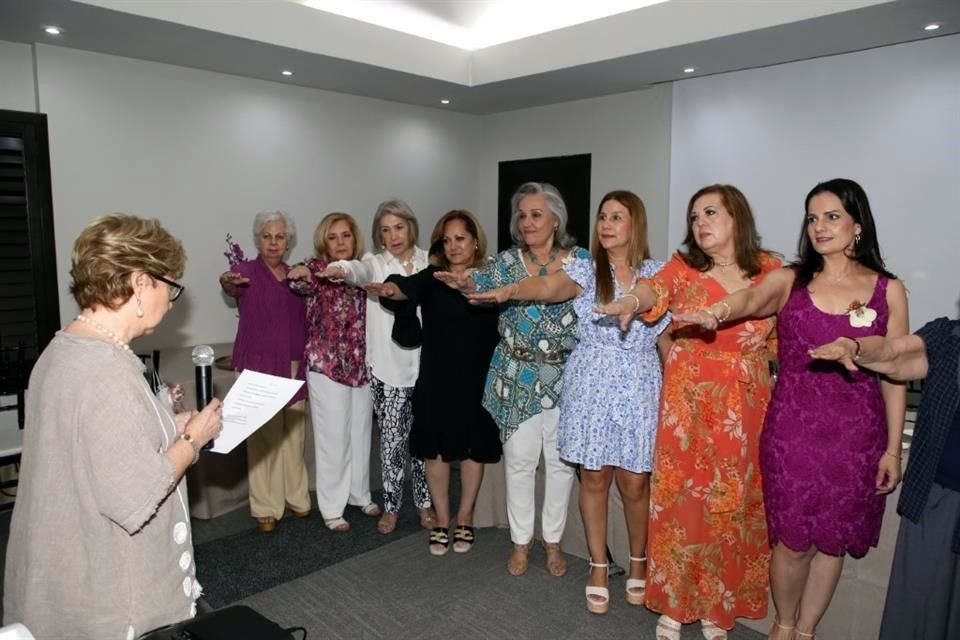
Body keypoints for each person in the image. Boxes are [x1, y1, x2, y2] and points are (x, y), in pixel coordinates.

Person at [674, 179, 908, 640]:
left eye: (832, 216)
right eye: (812, 218)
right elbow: (751, 299)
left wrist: (892, 451)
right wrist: (716, 313)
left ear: (858, 225)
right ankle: (782, 624)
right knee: (793, 542)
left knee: (832, 541)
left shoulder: (889, 291)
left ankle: (806, 630)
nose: (819, 227)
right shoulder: (790, 280)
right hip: (792, 434)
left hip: (856, 437)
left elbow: (896, 375)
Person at [3, 214, 222, 639]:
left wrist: (166, 422)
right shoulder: (106, 370)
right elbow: (134, 496)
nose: (172, 300)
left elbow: (90, 446)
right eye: (170, 286)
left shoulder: (64, 348)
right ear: (141, 284)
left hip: (64, 572)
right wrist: (194, 439)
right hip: (113, 599)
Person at [469, 190, 668, 614]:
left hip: (637, 386)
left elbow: (663, 327)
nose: (607, 224)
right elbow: (545, 286)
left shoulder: (659, 273)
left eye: (617, 217)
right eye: (602, 217)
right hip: (589, 385)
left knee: (635, 483)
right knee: (593, 477)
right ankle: (597, 565)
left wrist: (673, 391)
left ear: (636, 225)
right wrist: (508, 292)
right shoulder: (582, 270)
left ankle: (638, 561)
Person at [597, 184, 780, 640]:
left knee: (731, 505)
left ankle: (719, 605)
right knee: (683, 501)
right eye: (694, 215)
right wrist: (631, 301)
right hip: (690, 399)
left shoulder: (772, 269)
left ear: (738, 218)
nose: (700, 223)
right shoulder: (684, 268)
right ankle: (678, 604)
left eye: (711, 212)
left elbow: (790, 329)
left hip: (745, 400)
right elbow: (652, 289)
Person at [435, 182, 590, 577]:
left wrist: (506, 291)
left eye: (536, 214)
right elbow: (481, 284)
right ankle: (521, 541)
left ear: (556, 219)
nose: (527, 222)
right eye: (522, 215)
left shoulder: (580, 260)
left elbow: (555, 291)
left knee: (558, 463)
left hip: (564, 375)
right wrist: (467, 283)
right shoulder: (505, 262)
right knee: (520, 462)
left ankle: (552, 541)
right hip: (516, 374)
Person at [811, 316, 959, 640]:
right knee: (919, 615)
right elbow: (894, 354)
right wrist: (856, 346)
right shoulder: (948, 337)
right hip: (938, 500)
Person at [369, 210, 501, 555]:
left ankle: (466, 516)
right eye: (447, 240)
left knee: (473, 449)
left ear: (475, 241)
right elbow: (404, 289)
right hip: (437, 377)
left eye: (460, 238)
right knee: (436, 450)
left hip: (477, 379)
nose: (454, 246)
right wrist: (390, 288)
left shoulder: (491, 277)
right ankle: (442, 520)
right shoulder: (433, 276)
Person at [319, 199, 435, 534]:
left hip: (427, 368)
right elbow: (359, 271)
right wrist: (343, 269)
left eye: (398, 227)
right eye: (385, 230)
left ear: (410, 227)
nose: (393, 235)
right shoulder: (374, 262)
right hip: (387, 369)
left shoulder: (430, 261)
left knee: (424, 442)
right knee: (391, 442)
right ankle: (393, 507)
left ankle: (425, 505)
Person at [219, 211, 310, 533]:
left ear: (289, 241)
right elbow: (231, 286)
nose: (273, 243)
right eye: (267, 236)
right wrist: (226, 282)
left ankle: (297, 498)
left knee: (293, 436)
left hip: (295, 364)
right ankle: (266, 507)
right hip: (259, 367)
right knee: (264, 438)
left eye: (280, 236)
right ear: (257, 240)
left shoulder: (297, 275)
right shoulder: (243, 272)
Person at [288, 213, 379, 532]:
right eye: (333, 237)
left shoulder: (364, 269)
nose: (340, 242)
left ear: (355, 239)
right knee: (333, 437)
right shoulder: (315, 269)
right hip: (326, 366)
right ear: (323, 242)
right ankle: (331, 506)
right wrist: (298, 273)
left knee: (361, 433)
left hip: (361, 365)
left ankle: (359, 493)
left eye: (346, 236)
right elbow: (300, 280)